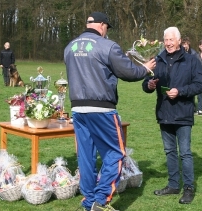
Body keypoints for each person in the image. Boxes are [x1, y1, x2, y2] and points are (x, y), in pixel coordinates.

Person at [64, 12, 156, 211]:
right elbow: (129, 73)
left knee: (86, 156)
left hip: (78, 109)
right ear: (102, 25)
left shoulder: (69, 47)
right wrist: (146, 68)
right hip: (101, 108)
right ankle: (100, 200)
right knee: (115, 153)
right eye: (107, 27)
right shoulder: (108, 46)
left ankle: (88, 202)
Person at [142, 27, 202, 204]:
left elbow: (200, 85)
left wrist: (181, 91)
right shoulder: (158, 60)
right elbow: (145, 83)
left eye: (171, 40)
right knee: (170, 151)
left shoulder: (191, 60)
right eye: (166, 40)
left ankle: (188, 188)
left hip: (183, 113)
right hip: (164, 112)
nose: (168, 43)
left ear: (179, 41)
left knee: (184, 153)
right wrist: (150, 85)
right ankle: (173, 185)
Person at [181, 37, 199, 113]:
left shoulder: (193, 53)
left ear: (188, 44)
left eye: (185, 44)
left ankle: (193, 108)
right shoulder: (180, 53)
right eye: (183, 44)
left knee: (191, 92)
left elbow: (196, 65)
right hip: (182, 74)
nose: (184, 46)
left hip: (191, 75)